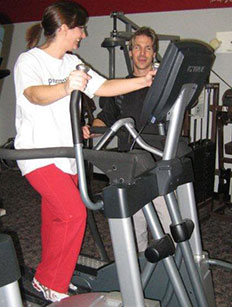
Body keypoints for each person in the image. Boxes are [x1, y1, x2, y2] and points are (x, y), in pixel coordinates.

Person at [14, 1, 155, 303]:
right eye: (81, 28)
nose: (84, 34)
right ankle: (54, 282)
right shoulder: (30, 61)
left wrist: (142, 81)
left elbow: (103, 87)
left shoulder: (71, 62)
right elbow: (34, 95)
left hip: (66, 155)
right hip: (37, 155)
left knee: (56, 220)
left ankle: (46, 279)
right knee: (73, 212)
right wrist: (66, 88)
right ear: (64, 28)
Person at [93, 27, 171, 253]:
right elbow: (105, 118)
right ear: (130, 52)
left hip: (158, 162)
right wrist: (90, 130)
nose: (142, 53)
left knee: (168, 223)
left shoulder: (163, 87)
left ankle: (176, 270)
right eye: (137, 47)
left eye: (148, 48)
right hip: (130, 167)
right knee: (135, 227)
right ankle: (138, 273)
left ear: (154, 52)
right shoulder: (119, 89)